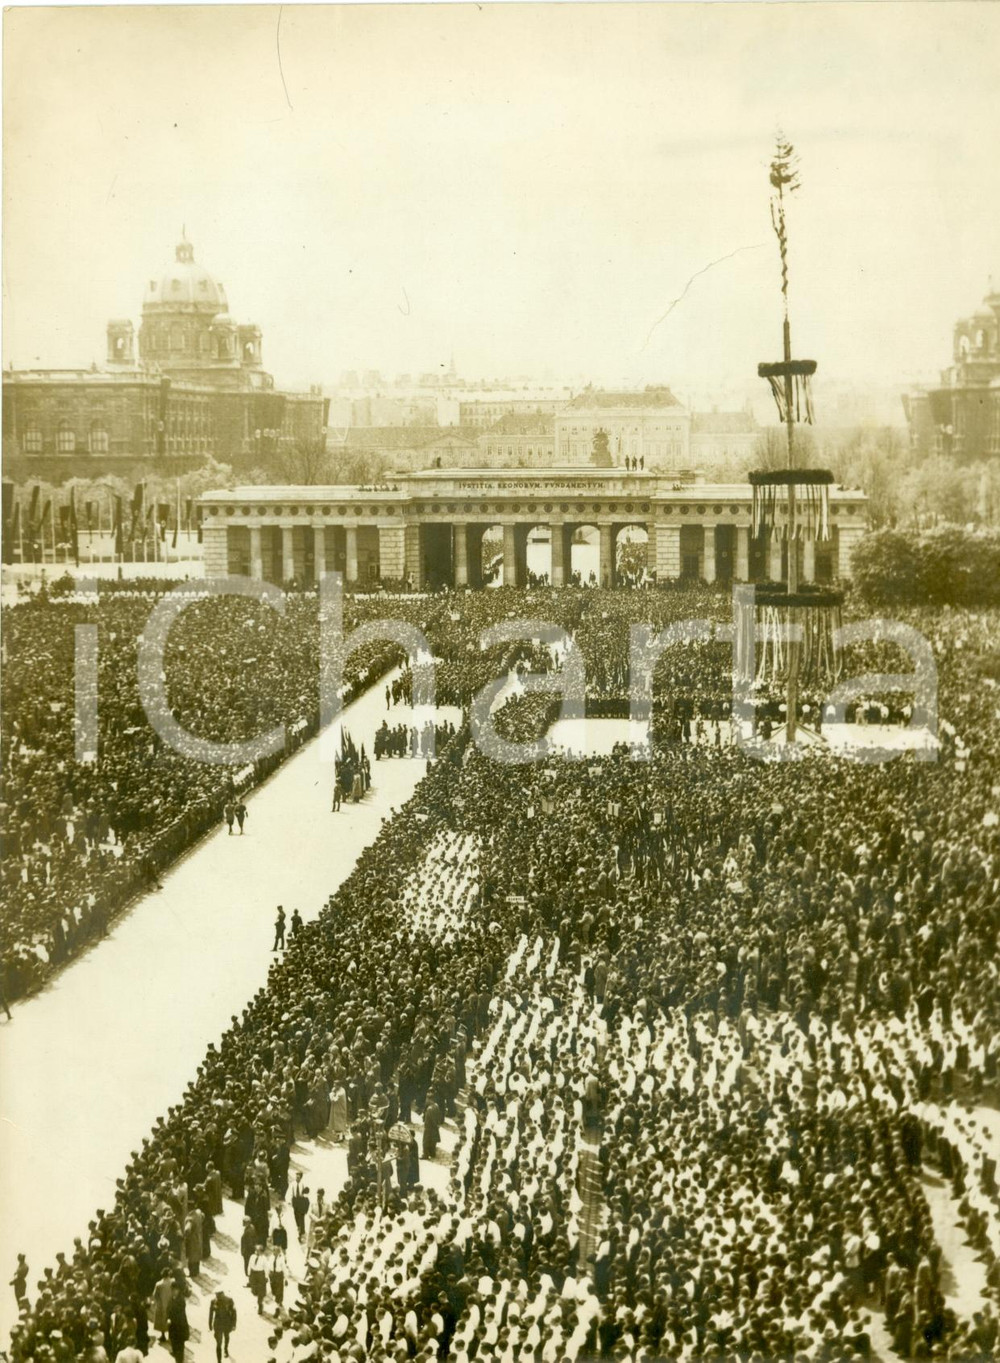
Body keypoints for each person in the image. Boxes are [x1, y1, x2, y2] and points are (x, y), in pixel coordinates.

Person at [208, 1289, 237, 1362]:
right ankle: (219, 1361)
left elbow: (234, 1313)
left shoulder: (229, 1300)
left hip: (227, 1323)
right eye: (216, 1295)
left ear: (223, 1293)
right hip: (218, 1324)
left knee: (226, 1336)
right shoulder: (213, 1301)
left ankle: (226, 1349)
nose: (218, 1296)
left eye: (219, 1295)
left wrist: (234, 1324)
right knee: (218, 1343)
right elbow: (211, 1313)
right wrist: (210, 1324)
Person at [166, 1289, 189, 1363]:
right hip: (173, 1326)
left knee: (180, 1344)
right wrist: (168, 1318)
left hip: (180, 1325)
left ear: (178, 1291)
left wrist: (171, 1317)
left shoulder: (181, 1300)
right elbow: (168, 1310)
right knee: (173, 1341)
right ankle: (176, 1354)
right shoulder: (171, 1299)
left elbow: (179, 1312)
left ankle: (179, 1359)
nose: (173, 1291)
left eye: (175, 1290)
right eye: (172, 1290)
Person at [151, 1271, 173, 1342]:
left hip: (162, 1304)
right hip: (171, 1303)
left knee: (162, 1319)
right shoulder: (173, 1282)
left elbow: (155, 1295)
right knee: (171, 1318)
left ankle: (163, 1335)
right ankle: (171, 1335)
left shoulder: (159, 1284)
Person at [248, 1246, 269, 1314]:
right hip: (253, 1274)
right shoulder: (252, 1256)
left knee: (261, 1291)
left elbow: (266, 1268)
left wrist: (266, 1277)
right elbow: (249, 1265)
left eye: (258, 1251)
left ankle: (260, 1305)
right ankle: (258, 1298)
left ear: (261, 1252)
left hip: (260, 1275)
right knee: (254, 1290)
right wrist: (249, 1274)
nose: (256, 1252)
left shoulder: (264, 1258)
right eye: (256, 1250)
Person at [268, 1246, 289, 1311]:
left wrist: (286, 1278)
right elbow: (269, 1266)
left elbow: (284, 1269)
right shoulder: (271, 1257)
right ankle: (276, 1296)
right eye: (274, 1251)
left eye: (277, 1251)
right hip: (272, 1274)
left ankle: (279, 1301)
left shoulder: (281, 1258)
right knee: (273, 1288)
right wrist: (268, 1274)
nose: (275, 1252)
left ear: (279, 1252)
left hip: (278, 1275)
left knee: (279, 1289)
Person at [290, 1175, 310, 1240]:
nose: (297, 1179)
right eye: (296, 1177)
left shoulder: (303, 1185)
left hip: (300, 1207)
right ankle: (299, 1230)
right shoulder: (292, 1184)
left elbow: (306, 1200)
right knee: (298, 1219)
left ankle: (300, 1232)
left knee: (300, 1220)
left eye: (298, 1177)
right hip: (297, 1205)